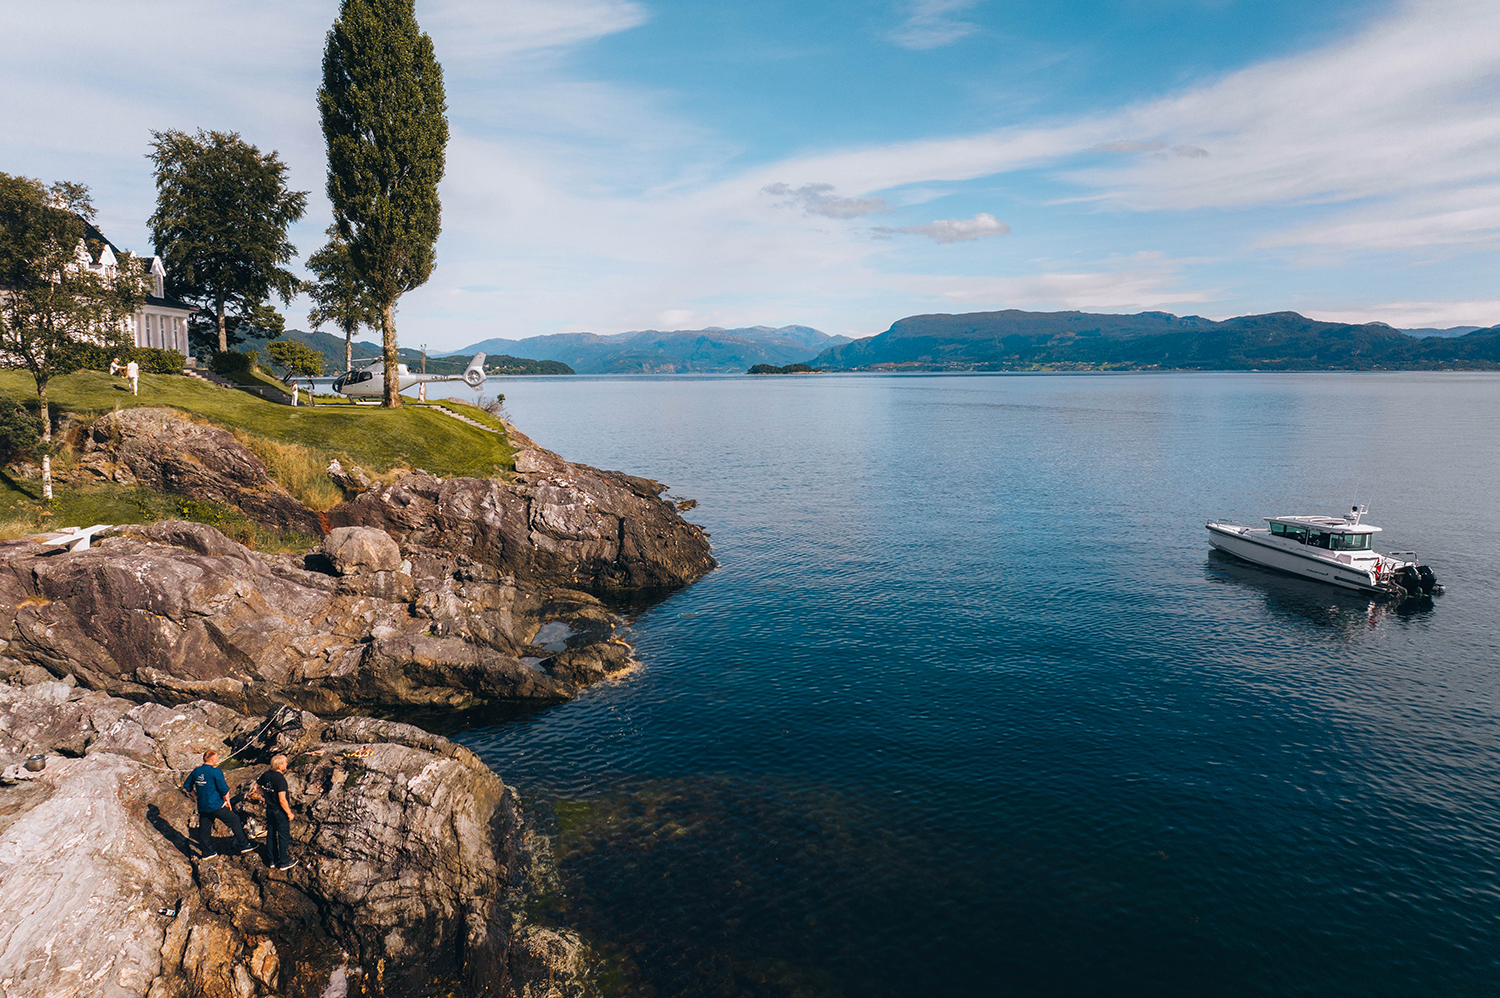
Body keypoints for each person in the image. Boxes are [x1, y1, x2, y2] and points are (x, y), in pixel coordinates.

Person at [184, 749, 253, 860]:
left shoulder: (196, 771)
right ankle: (244, 844)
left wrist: (196, 796)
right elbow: (224, 789)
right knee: (234, 820)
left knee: (204, 829)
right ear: (214, 759)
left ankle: (207, 852)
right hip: (216, 805)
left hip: (203, 806)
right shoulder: (216, 772)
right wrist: (227, 801)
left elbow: (187, 786)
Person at [254, 754, 296, 870]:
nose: (287, 764)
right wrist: (289, 813)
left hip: (269, 809)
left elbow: (256, 787)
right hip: (279, 811)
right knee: (283, 836)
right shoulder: (280, 779)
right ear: (280, 765)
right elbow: (282, 799)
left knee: (271, 834)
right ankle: (284, 862)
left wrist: (266, 795)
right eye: (285, 762)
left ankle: (272, 860)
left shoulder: (266, 775)